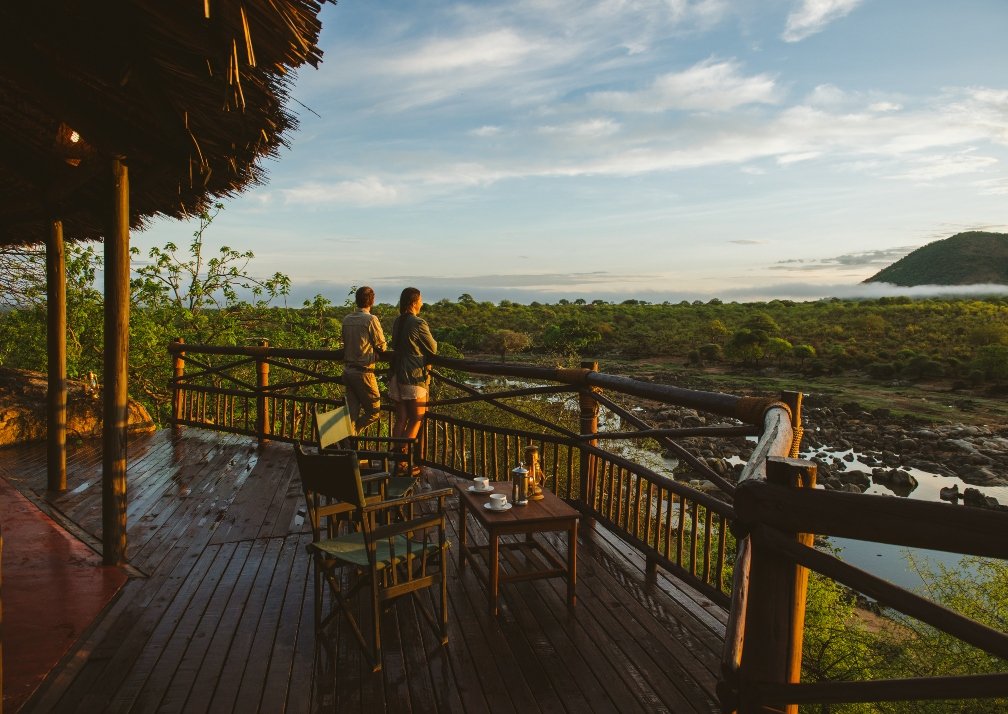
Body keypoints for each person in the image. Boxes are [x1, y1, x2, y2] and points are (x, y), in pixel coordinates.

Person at [388, 287, 436, 474]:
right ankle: (402, 461)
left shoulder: (397, 322)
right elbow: (432, 348)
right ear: (414, 302)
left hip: (396, 374)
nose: (422, 303)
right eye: (421, 300)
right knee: (417, 417)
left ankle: (395, 461)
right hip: (412, 376)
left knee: (401, 419)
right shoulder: (418, 322)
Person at [341, 285, 386, 433]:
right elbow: (382, 346)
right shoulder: (371, 319)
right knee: (374, 411)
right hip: (364, 372)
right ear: (372, 301)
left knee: (351, 414)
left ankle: (348, 447)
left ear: (356, 300)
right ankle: (353, 434)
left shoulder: (347, 319)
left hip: (348, 371)